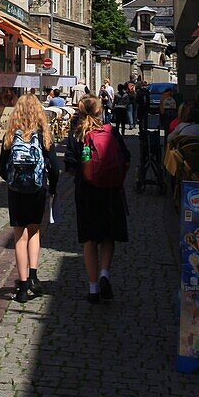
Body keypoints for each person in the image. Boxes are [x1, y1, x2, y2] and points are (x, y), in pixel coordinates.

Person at [65, 95, 130, 303]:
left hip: (86, 192)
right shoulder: (110, 132)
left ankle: (93, 288)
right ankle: (104, 274)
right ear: (99, 111)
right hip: (111, 190)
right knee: (108, 236)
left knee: (90, 239)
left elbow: (70, 164)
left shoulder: (76, 134)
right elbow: (126, 157)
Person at [0, 94, 59, 303]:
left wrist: (13, 180)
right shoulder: (43, 135)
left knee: (19, 236)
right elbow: (55, 168)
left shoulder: (10, 135)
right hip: (37, 188)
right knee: (34, 231)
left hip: (16, 192)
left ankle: (22, 288)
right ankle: (33, 276)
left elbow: (0, 168)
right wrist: (52, 187)